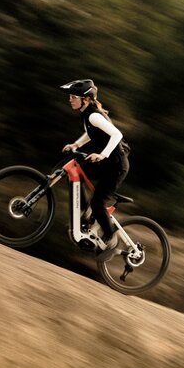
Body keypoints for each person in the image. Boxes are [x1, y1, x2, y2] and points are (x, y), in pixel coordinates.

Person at [60, 78, 130, 261]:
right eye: (70, 96)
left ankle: (110, 238)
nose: (70, 99)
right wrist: (76, 144)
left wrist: (103, 155)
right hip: (107, 163)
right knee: (76, 173)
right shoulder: (86, 114)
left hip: (116, 166)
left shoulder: (93, 115)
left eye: (73, 97)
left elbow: (117, 134)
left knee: (99, 203)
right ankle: (85, 212)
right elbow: (91, 133)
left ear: (85, 99)